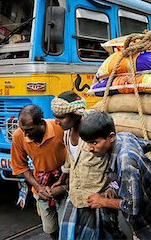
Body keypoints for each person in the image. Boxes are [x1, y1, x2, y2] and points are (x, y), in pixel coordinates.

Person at [79, 112, 151, 240]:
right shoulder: (124, 137)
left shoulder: (126, 163)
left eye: (94, 143)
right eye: (87, 143)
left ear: (111, 137)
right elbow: (150, 145)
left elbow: (131, 207)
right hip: (144, 225)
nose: (89, 148)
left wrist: (102, 201)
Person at [50, 91, 124, 239]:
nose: (56, 122)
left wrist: (112, 188)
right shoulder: (67, 133)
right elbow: (71, 161)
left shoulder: (96, 135)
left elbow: (117, 164)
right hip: (76, 199)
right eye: (56, 117)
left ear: (76, 114)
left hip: (97, 202)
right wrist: (62, 178)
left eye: (61, 117)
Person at [11, 105, 67, 239]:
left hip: (64, 181)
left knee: (66, 226)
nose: (26, 135)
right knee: (50, 228)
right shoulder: (19, 136)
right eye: (23, 130)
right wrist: (39, 187)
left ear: (41, 123)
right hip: (41, 184)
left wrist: (64, 185)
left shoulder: (59, 128)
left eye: (29, 130)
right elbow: (21, 166)